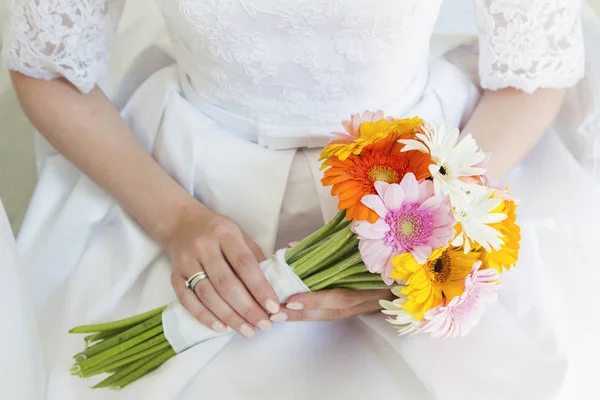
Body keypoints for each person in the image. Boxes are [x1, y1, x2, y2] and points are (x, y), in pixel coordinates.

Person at [2, 0, 599, 399]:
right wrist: (175, 219)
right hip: (178, 174)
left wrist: (434, 217)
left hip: (426, 165)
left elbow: (535, 70)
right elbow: (44, 67)